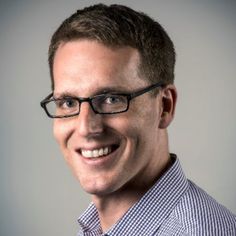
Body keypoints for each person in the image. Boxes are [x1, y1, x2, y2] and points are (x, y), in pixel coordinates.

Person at [40, 4, 236, 236]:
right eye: (69, 103)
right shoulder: (97, 227)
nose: (86, 127)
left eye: (112, 99)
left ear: (164, 106)